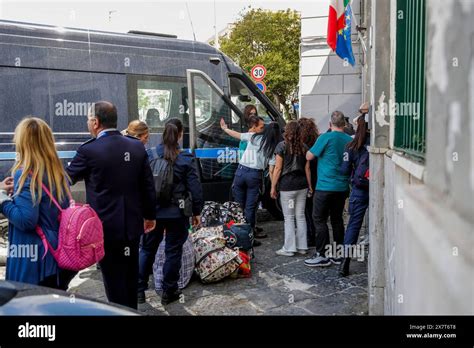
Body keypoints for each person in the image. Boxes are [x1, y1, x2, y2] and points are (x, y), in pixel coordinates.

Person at [66, 101, 156, 309]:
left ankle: (118, 312)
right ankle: (131, 310)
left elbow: (65, 180)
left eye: (89, 120)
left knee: (113, 282)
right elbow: (148, 186)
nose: (88, 124)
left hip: (104, 230)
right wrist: (150, 216)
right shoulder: (136, 146)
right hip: (133, 227)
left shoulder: (89, 150)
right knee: (130, 277)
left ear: (96, 122)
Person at [0, 117, 76, 289]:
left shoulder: (26, 173)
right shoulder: (58, 172)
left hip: (33, 261)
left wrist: (2, 199)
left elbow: (26, 220)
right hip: (55, 257)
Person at [138, 118, 203, 305]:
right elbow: (195, 188)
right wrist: (197, 211)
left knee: (147, 249)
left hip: (153, 213)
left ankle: (139, 290)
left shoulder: (150, 154)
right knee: (173, 251)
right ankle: (169, 291)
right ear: (180, 134)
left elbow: (142, 185)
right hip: (177, 214)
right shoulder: (185, 158)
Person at [304, 111, 352, 267]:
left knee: (319, 220)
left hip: (325, 186)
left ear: (330, 124)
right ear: (344, 124)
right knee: (337, 220)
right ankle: (338, 255)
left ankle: (322, 254)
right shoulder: (349, 140)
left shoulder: (325, 137)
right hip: (342, 186)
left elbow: (309, 156)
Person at [220, 119, 281, 240]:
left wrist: (225, 129)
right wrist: (273, 187)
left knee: (239, 205)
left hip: (240, 172)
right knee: (250, 207)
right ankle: (248, 236)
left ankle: (236, 234)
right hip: (255, 176)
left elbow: (237, 135)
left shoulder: (253, 137)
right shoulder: (273, 148)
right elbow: (272, 170)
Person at [270, 121, 312, 256]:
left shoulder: (281, 146)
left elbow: (277, 168)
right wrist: (310, 186)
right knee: (300, 216)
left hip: (287, 187)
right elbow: (307, 168)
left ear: (287, 132)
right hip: (302, 186)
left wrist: (273, 186)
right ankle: (302, 246)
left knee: (289, 217)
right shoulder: (304, 147)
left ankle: (289, 248)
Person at [339, 114, 370, 277]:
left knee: (353, 226)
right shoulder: (373, 143)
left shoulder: (350, 145)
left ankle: (345, 262)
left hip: (358, 189)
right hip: (376, 187)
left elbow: (344, 170)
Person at [297, 117, 319, 247]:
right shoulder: (317, 143)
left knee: (307, 211)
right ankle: (315, 235)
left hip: (308, 181)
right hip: (318, 179)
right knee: (315, 211)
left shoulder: (302, 147)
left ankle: (311, 237)